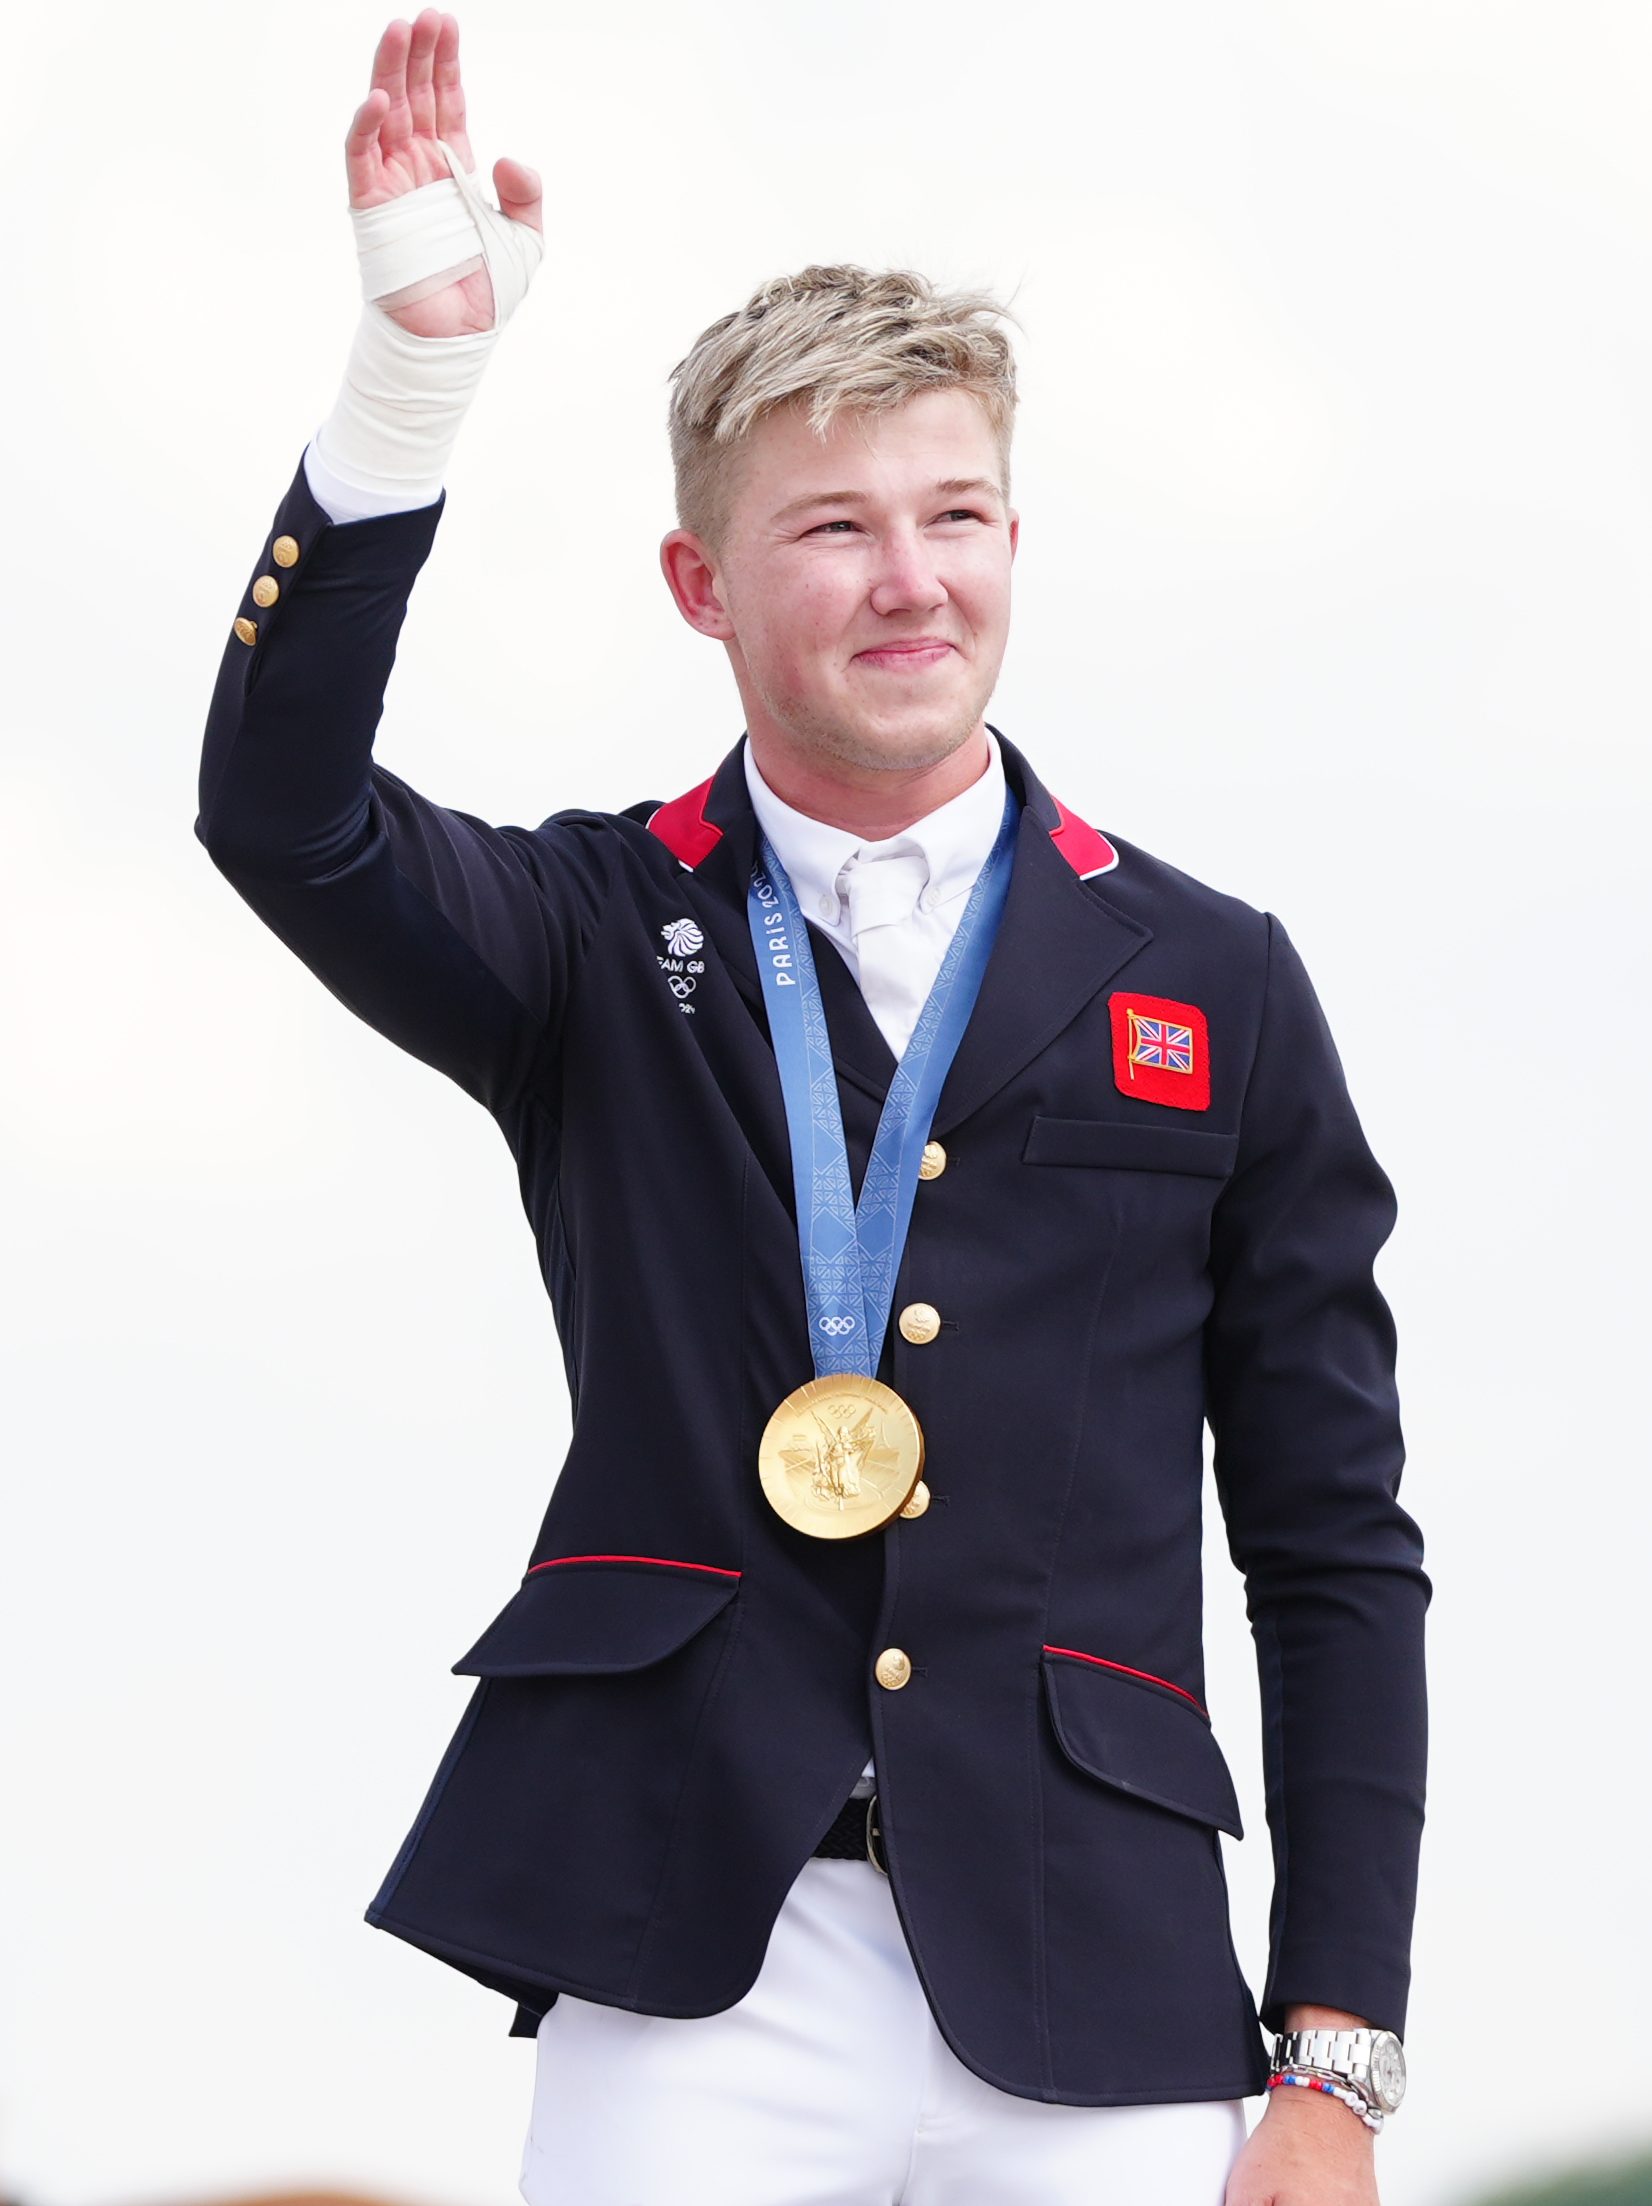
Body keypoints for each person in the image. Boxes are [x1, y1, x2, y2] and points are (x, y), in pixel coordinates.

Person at [195, 13, 1430, 2204]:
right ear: (702, 584)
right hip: (690, 1957)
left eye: (954, 514)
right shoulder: (586, 929)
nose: (909, 578)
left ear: (1015, 539)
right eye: (834, 526)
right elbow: (278, 812)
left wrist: (1331, 2053)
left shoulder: (1215, 978)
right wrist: (409, 388)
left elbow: (1331, 1544)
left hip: (1103, 1973)